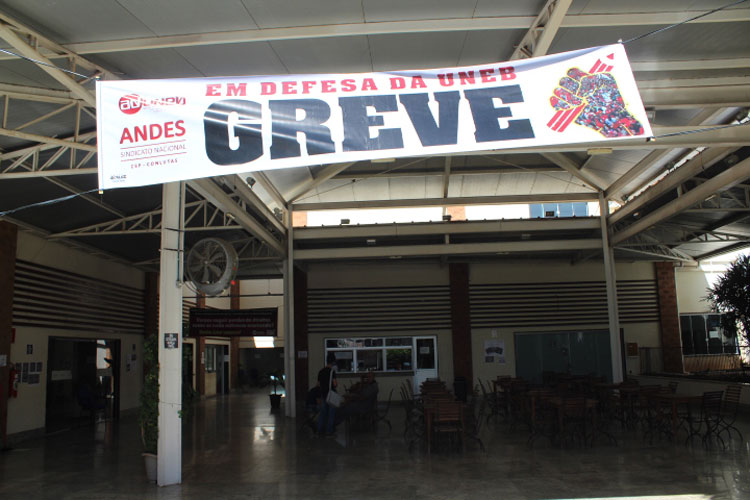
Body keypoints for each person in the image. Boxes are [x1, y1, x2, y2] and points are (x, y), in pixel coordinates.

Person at [317, 353, 337, 436]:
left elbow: (318, 384)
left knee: (322, 413)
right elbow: (335, 384)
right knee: (331, 414)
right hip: (331, 395)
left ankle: (319, 430)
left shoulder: (321, 371)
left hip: (323, 394)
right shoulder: (332, 372)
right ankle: (329, 430)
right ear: (333, 362)